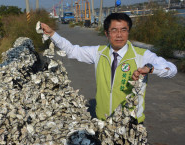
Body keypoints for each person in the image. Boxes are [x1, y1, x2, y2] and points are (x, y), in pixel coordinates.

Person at [41, 13, 177, 123]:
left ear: (128, 32)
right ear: (107, 33)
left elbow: (171, 69)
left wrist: (151, 68)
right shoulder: (98, 53)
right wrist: (52, 34)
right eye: (114, 30)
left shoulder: (142, 55)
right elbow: (72, 50)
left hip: (130, 122)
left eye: (124, 30)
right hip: (102, 120)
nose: (119, 35)